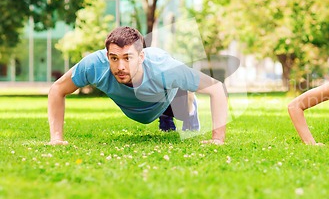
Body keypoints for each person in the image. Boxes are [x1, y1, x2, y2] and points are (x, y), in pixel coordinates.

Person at [48, 26, 227, 145]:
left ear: (141, 57)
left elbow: (216, 88)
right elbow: (57, 89)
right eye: (114, 58)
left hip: (167, 98)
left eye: (128, 58)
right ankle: (166, 117)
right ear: (107, 56)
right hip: (138, 105)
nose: (120, 67)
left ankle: (186, 109)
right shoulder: (94, 65)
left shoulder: (165, 67)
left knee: (182, 103)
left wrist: (217, 139)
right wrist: (56, 138)